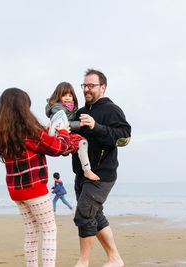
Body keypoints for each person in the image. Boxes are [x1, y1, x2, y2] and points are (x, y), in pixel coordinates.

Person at [0, 88, 71, 267]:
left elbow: (33, 143)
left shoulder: (4, 132)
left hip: (16, 191)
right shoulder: (28, 130)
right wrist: (63, 132)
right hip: (34, 189)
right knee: (49, 230)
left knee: (32, 232)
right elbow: (57, 148)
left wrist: (44, 130)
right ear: (22, 108)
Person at [72, 69, 131, 267]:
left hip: (101, 175)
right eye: (84, 86)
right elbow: (74, 142)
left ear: (102, 87)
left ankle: (83, 262)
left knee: (85, 213)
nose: (87, 89)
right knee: (95, 215)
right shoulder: (80, 112)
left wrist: (96, 126)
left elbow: (125, 138)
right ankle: (115, 259)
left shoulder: (111, 109)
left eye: (91, 85)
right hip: (81, 173)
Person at [45, 82, 99, 181]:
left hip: (66, 135)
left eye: (70, 95)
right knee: (82, 143)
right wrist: (80, 124)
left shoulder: (71, 109)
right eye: (64, 95)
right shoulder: (58, 108)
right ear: (58, 96)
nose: (67, 98)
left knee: (82, 143)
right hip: (59, 135)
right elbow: (63, 123)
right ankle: (87, 170)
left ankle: (86, 169)